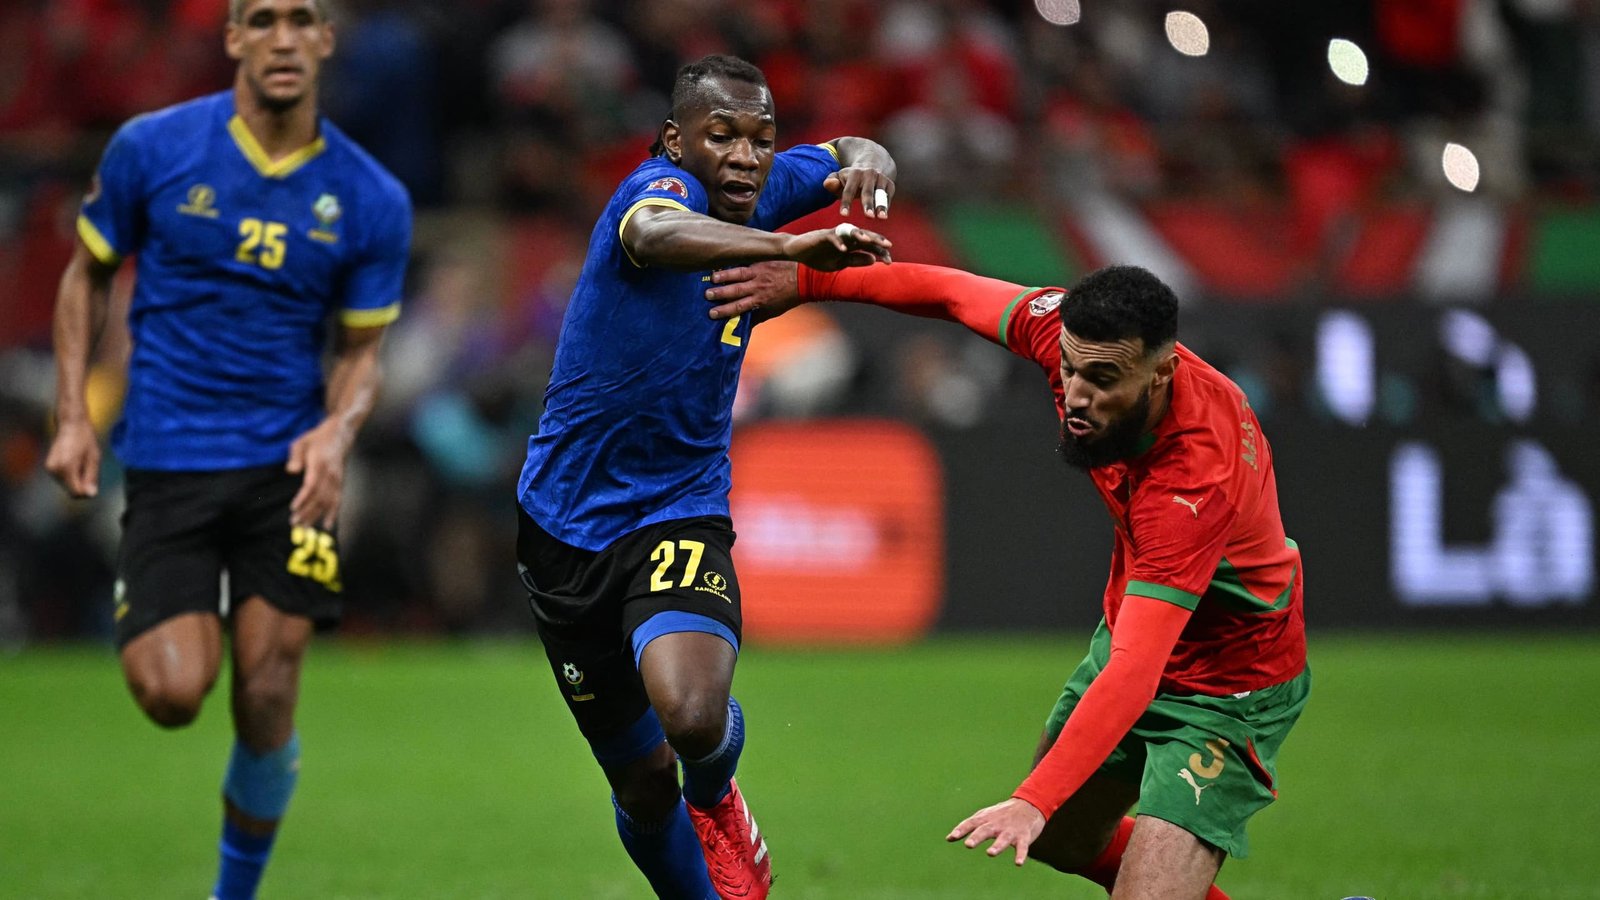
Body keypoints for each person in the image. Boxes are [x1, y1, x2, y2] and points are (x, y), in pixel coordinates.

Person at [704, 261, 1309, 899]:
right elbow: (947, 292)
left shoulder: (1193, 481)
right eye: (1071, 369)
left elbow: (1135, 671)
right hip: (1135, 632)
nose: (1076, 394)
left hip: (1228, 685)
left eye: (1102, 380)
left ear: (1162, 373)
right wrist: (808, 281)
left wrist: (1033, 798)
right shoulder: (1071, 336)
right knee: (1063, 839)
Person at [44, 2, 411, 898]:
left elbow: (362, 351)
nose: (283, 39)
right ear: (234, 38)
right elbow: (86, 272)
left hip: (286, 472)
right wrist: (72, 416)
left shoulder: (371, 197)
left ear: (327, 40)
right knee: (173, 695)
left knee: (270, 691)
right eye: (262, 20)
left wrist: (338, 428)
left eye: (302, 21)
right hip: (169, 457)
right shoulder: (152, 148)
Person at [514, 54, 895, 899]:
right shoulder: (657, 195)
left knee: (689, 716)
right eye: (721, 136)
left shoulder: (764, 184)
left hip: (678, 506)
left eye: (760, 139)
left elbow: (851, 147)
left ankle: (718, 794)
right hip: (563, 528)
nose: (745, 156)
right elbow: (653, 235)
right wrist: (788, 246)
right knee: (642, 786)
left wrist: (871, 161)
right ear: (676, 140)